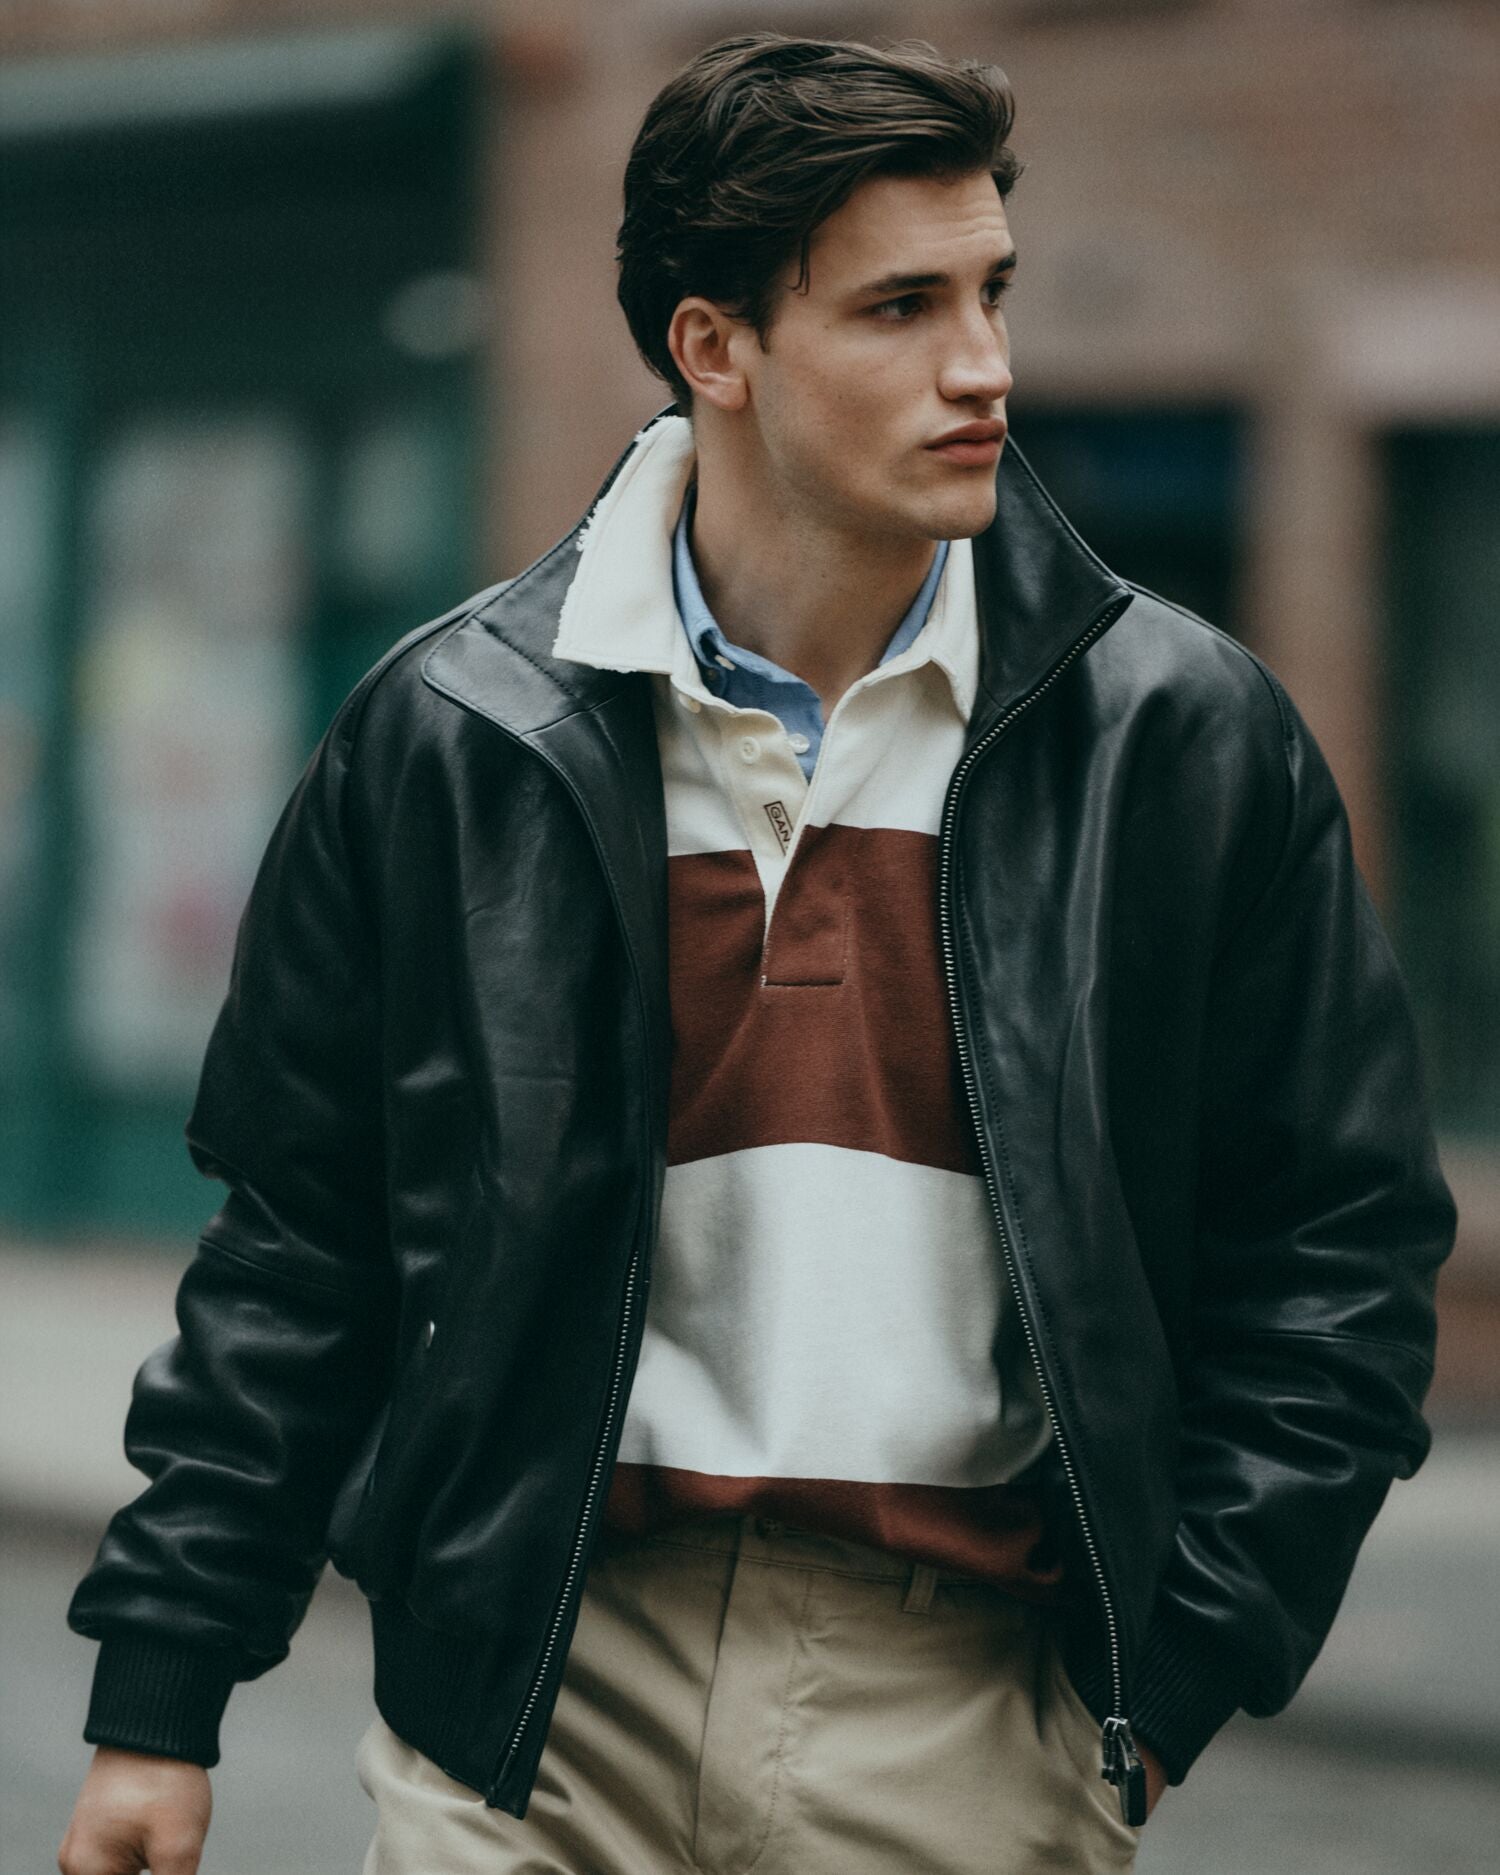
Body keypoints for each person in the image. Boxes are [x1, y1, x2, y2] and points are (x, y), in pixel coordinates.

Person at [59, 32, 1456, 1875]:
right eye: (900, 308)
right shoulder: (459, 735)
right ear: (715, 348)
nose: (986, 368)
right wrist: (160, 1696)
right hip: (529, 1705)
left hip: (959, 1710)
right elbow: (300, 1243)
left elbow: (1337, 1253)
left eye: (991, 293)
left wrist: (1171, 1679)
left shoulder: (1182, 739)